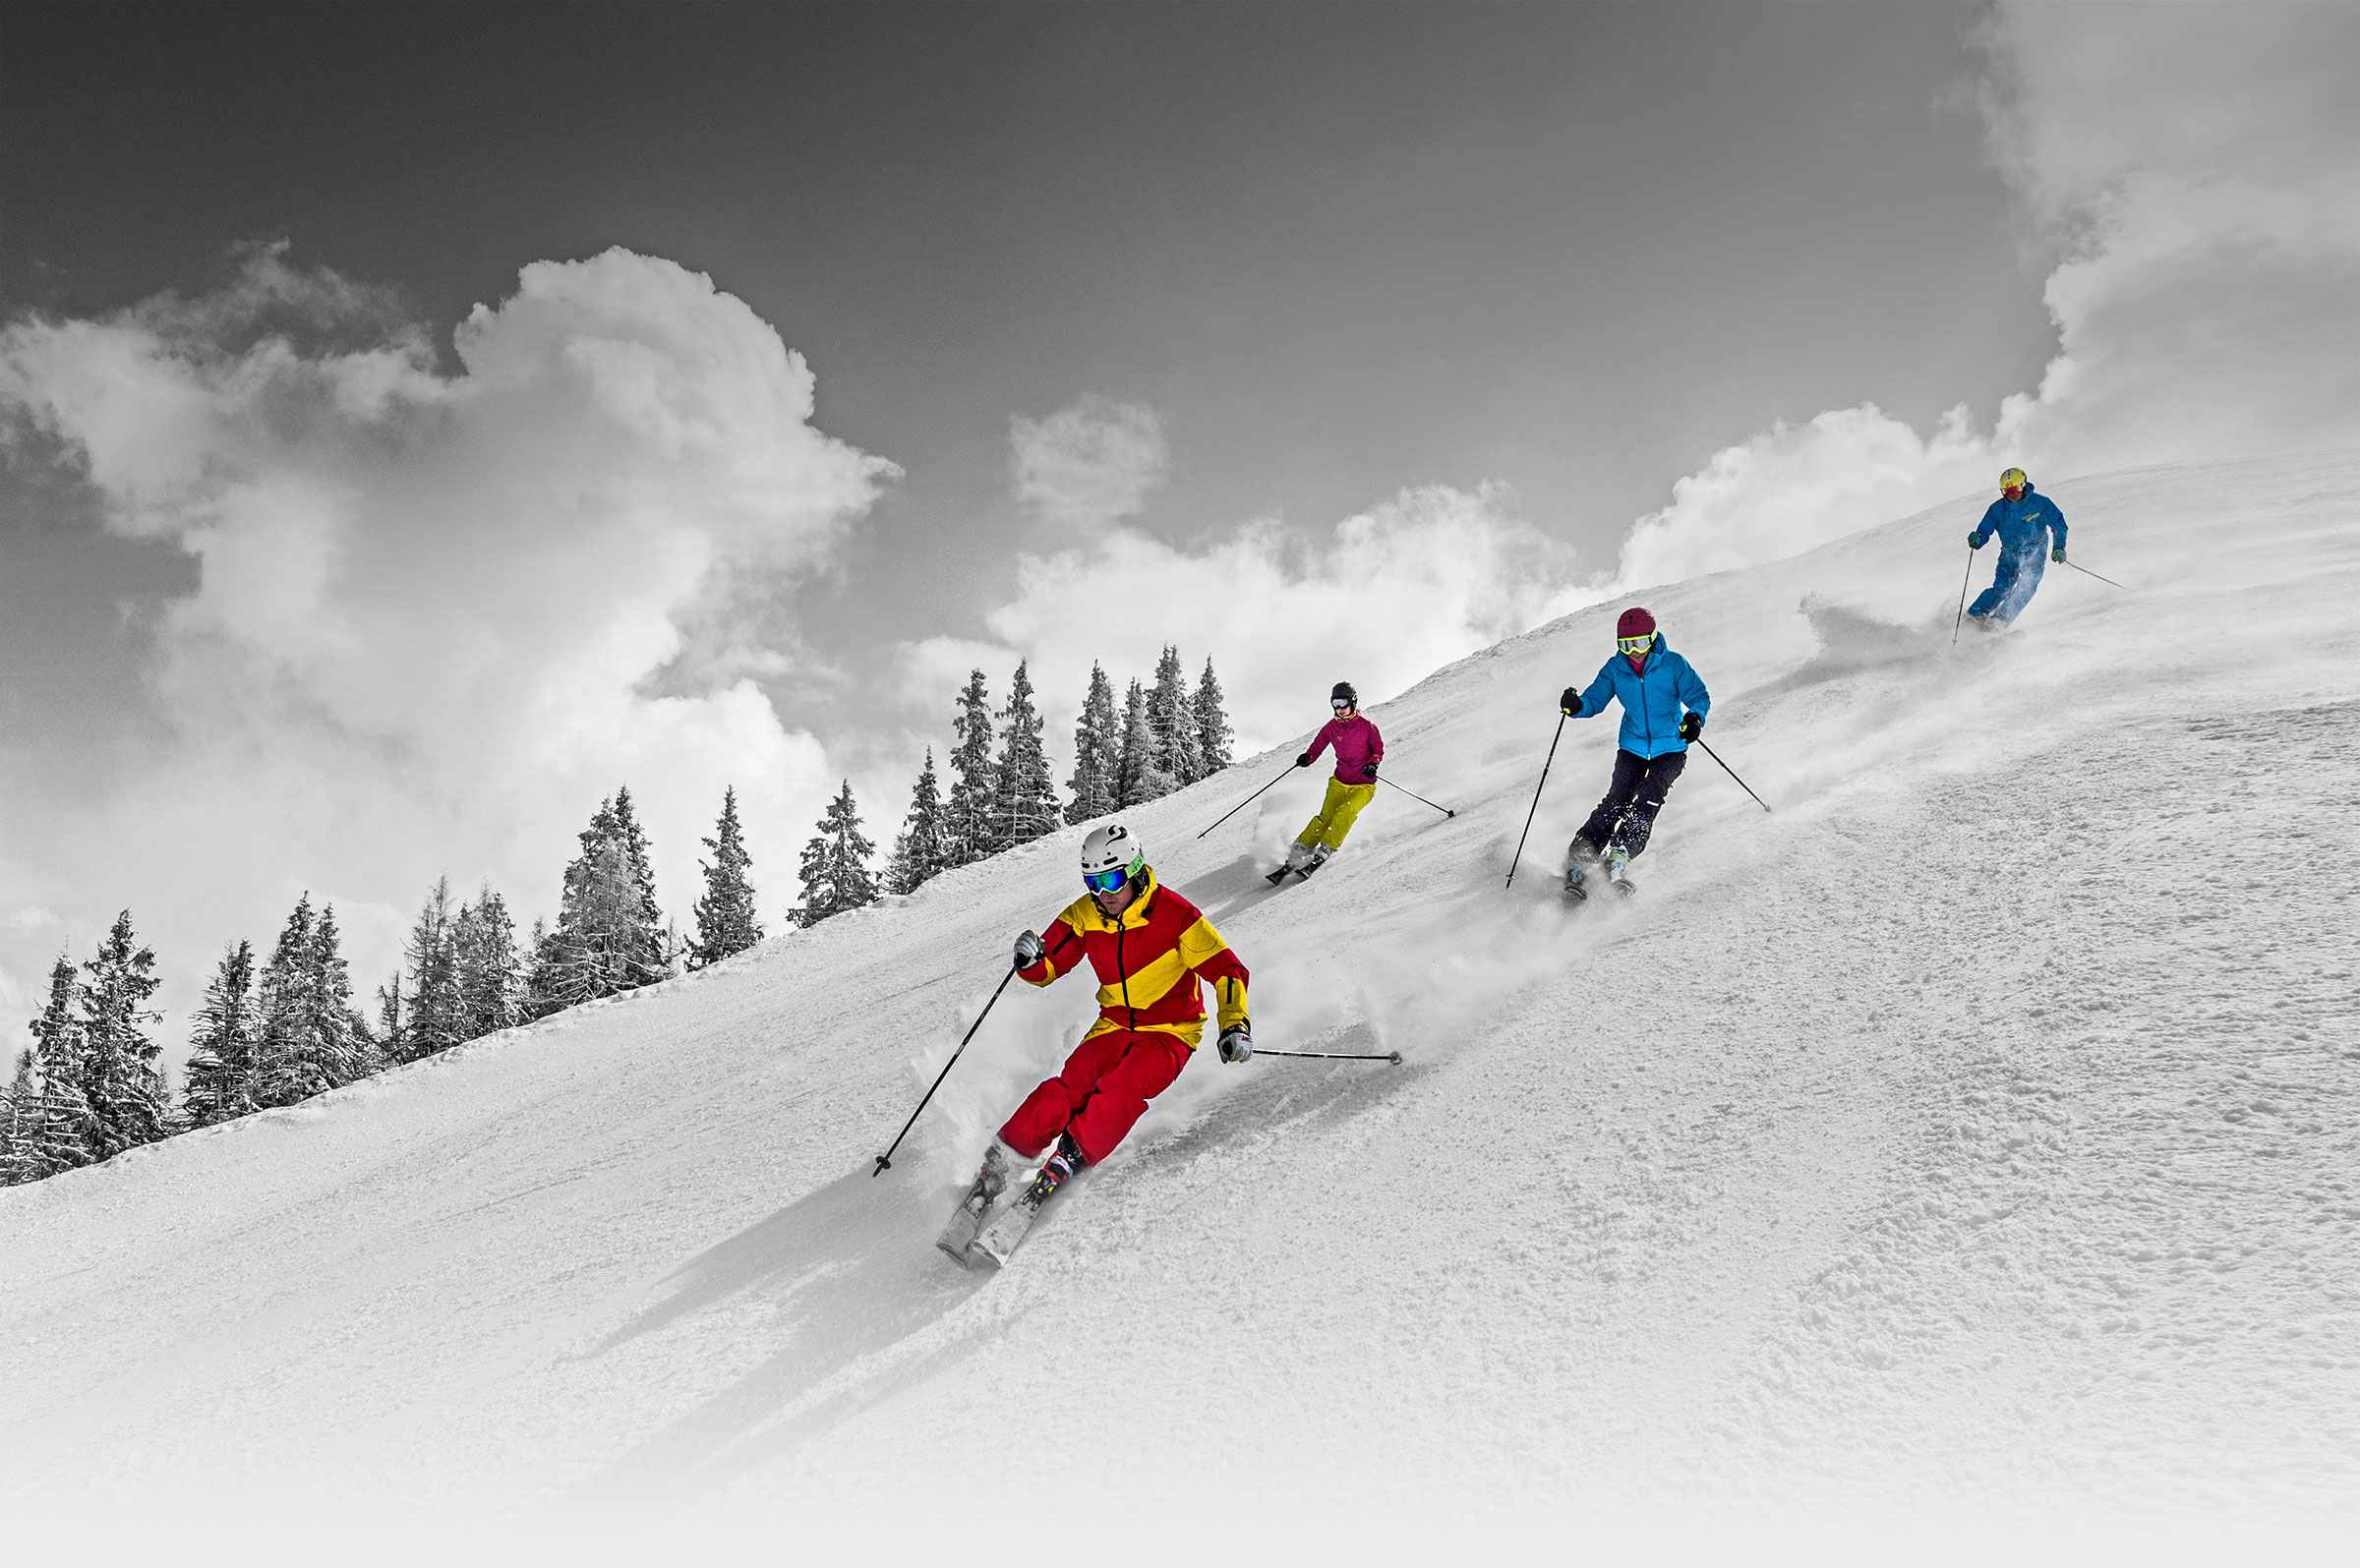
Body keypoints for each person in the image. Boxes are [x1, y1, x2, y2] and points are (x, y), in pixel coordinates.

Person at [963, 822, 1252, 1236]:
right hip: (1113, 1023)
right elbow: (1049, 966)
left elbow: (1227, 970)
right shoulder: (1086, 914)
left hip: (1171, 1030)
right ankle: (1003, 1162)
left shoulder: (1177, 915)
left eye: (1113, 879)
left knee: (1123, 1085)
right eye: (1094, 881)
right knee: (1068, 1087)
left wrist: (1234, 1023)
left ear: (1135, 871)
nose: (1105, 892)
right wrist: (1029, 961)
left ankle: (1070, 1157)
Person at [1559, 608, 1711, 897]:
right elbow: (1595, 699)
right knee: (1618, 798)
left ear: (1652, 639)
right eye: (1625, 645)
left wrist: (1694, 719)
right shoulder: (1616, 669)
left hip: (1671, 747)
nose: (1633, 652)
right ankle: (1583, 852)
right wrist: (1577, 706)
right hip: (1632, 746)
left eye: (1639, 643)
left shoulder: (1673, 665)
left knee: (1650, 798)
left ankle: (1620, 853)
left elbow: (1699, 697)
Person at [1278, 681, 1385, 877]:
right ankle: (1300, 848)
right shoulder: (1331, 728)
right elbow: (1317, 747)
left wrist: (1373, 764)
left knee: (1346, 812)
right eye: (1335, 703)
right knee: (1325, 817)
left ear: (1352, 702)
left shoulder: (1367, 727)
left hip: (1363, 785)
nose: (1339, 708)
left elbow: (1378, 749)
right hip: (1339, 782)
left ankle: (1326, 848)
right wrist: (1308, 757)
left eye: (1343, 703)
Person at [1964, 467, 2070, 629]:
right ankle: (1974, 616)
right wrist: (1978, 539)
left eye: (2014, 489)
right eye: (2006, 491)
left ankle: (1999, 621)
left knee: (2027, 586)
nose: (2011, 494)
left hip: (2035, 552)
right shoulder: (1997, 509)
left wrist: (2059, 546)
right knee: (2002, 587)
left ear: (2023, 485)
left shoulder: (2041, 504)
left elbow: (2059, 525)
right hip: (2009, 553)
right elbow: (1984, 530)